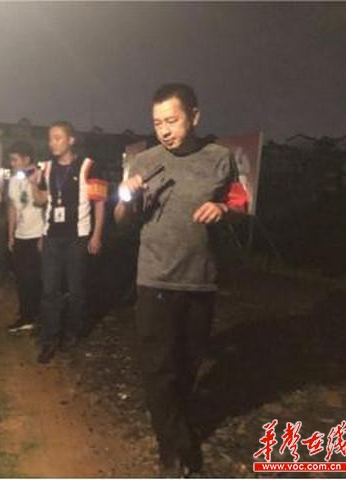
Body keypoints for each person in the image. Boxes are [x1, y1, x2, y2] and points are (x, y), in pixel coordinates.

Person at [114, 83, 248, 476]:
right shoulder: (144, 162)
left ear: (195, 116)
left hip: (200, 280)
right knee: (158, 369)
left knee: (188, 365)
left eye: (171, 120)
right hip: (154, 278)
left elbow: (241, 204)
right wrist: (127, 196)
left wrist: (223, 209)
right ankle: (174, 450)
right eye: (157, 123)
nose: (164, 130)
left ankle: (177, 432)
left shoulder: (220, 158)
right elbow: (122, 222)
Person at [34, 121, 107, 364]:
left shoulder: (88, 166)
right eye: (50, 138)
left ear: (71, 140)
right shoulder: (46, 168)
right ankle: (49, 340)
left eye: (57, 138)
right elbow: (42, 201)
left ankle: (72, 333)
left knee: (76, 290)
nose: (52, 143)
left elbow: (99, 203)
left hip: (78, 236)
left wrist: (96, 235)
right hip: (52, 236)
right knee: (49, 290)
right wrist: (33, 184)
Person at [6, 140, 45, 334]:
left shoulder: (41, 176)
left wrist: (44, 235)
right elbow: (13, 207)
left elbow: (47, 205)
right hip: (21, 235)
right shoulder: (14, 180)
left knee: (36, 278)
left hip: (38, 234)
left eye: (15, 159)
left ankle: (38, 317)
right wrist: (11, 235)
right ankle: (25, 316)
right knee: (22, 278)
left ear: (27, 159)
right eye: (11, 160)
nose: (12, 163)